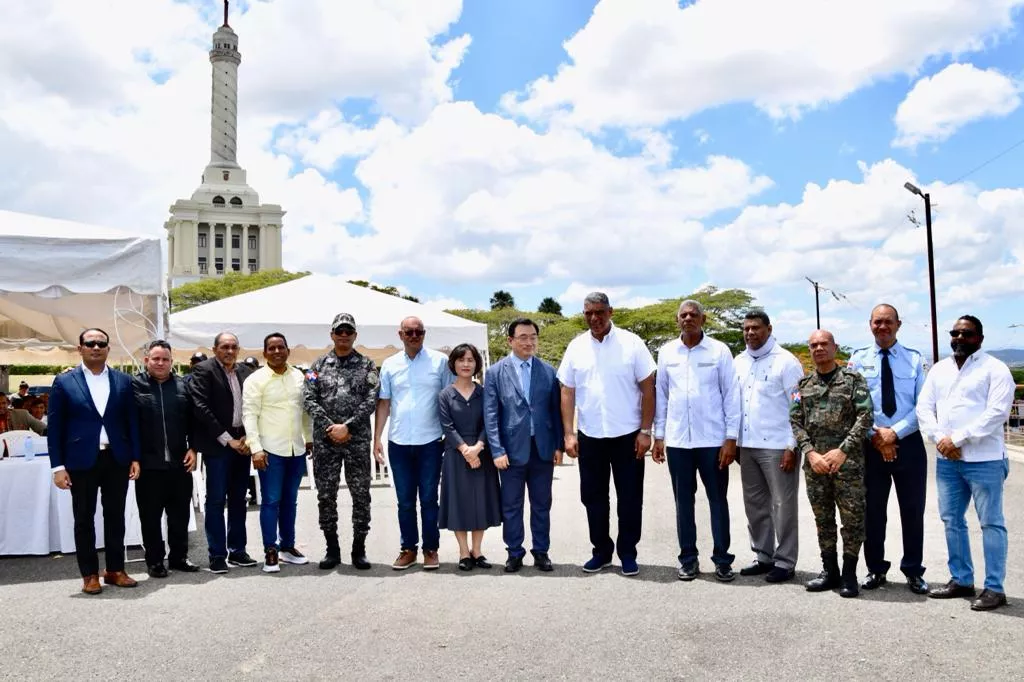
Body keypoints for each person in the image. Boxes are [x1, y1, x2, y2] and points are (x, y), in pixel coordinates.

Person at [917, 315, 1016, 611]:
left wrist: (957, 439)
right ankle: (961, 579)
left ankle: (995, 588)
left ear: (980, 338)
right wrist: (940, 438)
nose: (960, 338)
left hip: (984, 459)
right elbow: (924, 407)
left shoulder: (995, 370)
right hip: (948, 461)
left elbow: (997, 413)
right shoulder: (939, 370)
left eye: (967, 334)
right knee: (952, 521)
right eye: (955, 333)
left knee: (991, 523)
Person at [557, 292, 656, 577]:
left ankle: (628, 553)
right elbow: (567, 391)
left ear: (611, 312)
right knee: (593, 496)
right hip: (590, 435)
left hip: (628, 435)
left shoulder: (632, 343)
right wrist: (568, 433)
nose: (594, 318)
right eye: (588, 313)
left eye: (599, 312)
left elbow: (648, 388)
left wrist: (646, 431)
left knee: (630, 497)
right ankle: (601, 551)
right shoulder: (576, 346)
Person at [653, 300, 741, 582]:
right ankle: (688, 559)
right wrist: (659, 436)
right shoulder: (666, 352)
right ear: (677, 320)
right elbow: (661, 396)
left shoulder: (719, 351)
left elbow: (731, 395)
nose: (688, 318)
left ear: (703, 319)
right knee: (683, 503)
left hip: (712, 440)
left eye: (694, 314)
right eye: (683, 315)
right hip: (679, 441)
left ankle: (722, 559)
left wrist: (731, 438)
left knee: (717, 500)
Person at [47, 328, 141, 594]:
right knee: (84, 519)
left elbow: (131, 421)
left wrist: (135, 456)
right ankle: (89, 574)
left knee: (115, 516)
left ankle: (115, 570)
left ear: (108, 349)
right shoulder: (64, 382)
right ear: (80, 348)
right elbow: (54, 428)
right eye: (90, 343)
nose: (96, 347)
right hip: (80, 461)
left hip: (116, 458)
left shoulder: (124, 381)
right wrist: (58, 466)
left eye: (101, 343)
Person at [847, 304, 929, 594]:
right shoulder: (857, 360)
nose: (882, 327)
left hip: (908, 444)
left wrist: (893, 433)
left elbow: (923, 406)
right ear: (870, 324)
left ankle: (913, 570)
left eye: (888, 322)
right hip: (870, 445)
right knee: (873, 511)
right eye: (877, 322)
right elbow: (853, 404)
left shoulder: (914, 360)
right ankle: (875, 569)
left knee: (912, 510)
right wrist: (876, 436)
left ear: (899, 324)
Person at [790, 329, 873, 598]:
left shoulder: (852, 380)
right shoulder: (803, 386)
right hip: (816, 466)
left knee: (852, 520)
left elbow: (865, 416)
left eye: (824, 344)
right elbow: (795, 421)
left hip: (847, 465)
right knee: (823, 519)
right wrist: (810, 453)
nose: (818, 348)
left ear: (835, 347)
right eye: (813, 345)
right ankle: (830, 571)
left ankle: (849, 573)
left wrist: (843, 451)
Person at [374, 316, 455, 570]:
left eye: (418, 331)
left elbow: (448, 399)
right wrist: (376, 438)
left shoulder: (440, 362)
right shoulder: (389, 364)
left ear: (424, 333)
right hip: (398, 441)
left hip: (430, 440)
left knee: (430, 498)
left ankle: (431, 549)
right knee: (405, 501)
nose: (414, 336)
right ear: (400, 335)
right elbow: (384, 403)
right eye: (408, 332)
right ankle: (408, 548)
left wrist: (451, 435)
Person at [483, 318, 563, 573]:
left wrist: (558, 446)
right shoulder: (495, 372)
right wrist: (496, 450)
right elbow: (491, 414)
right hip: (510, 451)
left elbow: (555, 412)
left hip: (542, 449)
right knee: (512, 505)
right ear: (511, 340)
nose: (529, 342)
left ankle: (541, 552)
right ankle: (514, 552)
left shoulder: (549, 371)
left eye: (533, 337)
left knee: (542, 504)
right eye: (523, 337)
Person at [732, 310, 804, 583]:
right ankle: (763, 555)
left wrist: (791, 446)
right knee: (755, 504)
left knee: (783, 505)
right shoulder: (738, 361)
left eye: (756, 328)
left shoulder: (786, 362)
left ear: (769, 329)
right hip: (747, 445)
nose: (750, 333)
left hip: (778, 447)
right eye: (746, 328)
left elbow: (798, 408)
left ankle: (785, 561)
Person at [303, 313, 380, 570]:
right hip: (326, 441)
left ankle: (359, 549)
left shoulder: (367, 365)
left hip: (356, 438)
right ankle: (332, 549)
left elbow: (372, 399)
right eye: (340, 331)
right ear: (332, 334)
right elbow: (308, 399)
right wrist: (330, 427)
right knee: (326, 495)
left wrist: (347, 426)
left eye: (348, 332)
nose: (344, 336)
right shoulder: (317, 366)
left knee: (361, 495)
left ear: (355, 335)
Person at [243, 333, 312, 573]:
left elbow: (304, 411)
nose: (276, 352)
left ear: (287, 350)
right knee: (271, 501)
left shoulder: (299, 377)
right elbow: (249, 415)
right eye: (271, 348)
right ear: (264, 353)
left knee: (290, 501)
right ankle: (270, 550)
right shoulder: (255, 380)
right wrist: (256, 448)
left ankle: (288, 546)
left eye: (280, 347)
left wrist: (309, 438)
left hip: (296, 449)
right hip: (270, 451)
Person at [189, 331, 256, 574]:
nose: (229, 351)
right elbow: (200, 407)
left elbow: (252, 407)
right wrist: (228, 440)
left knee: (240, 499)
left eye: (234, 347)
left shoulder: (245, 372)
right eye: (225, 346)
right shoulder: (203, 370)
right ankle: (217, 554)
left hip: (243, 444)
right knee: (216, 500)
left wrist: (248, 437)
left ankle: (238, 551)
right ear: (215, 348)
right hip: (219, 446)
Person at [132, 340, 200, 577]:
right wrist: (134, 457)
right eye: (156, 359)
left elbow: (194, 421)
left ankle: (179, 557)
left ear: (172, 362)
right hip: (148, 466)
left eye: (165, 359)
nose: (160, 363)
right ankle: (154, 561)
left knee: (180, 515)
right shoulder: (134, 386)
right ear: (146, 360)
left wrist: (194, 448)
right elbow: (128, 424)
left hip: (180, 464)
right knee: (150, 517)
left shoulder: (183, 386)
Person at [439, 344, 501, 570]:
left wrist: (478, 447)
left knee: (480, 501)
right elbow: (447, 426)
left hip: (482, 452)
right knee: (459, 502)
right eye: (461, 360)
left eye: (471, 360)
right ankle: (464, 552)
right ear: (453, 363)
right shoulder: (445, 395)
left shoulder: (484, 393)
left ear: (477, 364)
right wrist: (466, 450)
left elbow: (491, 421)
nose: (466, 364)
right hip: (456, 455)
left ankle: (477, 550)